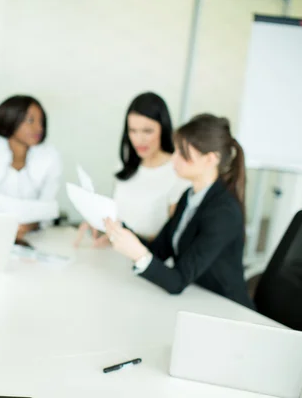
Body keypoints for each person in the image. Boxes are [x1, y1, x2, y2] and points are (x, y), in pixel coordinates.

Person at [104, 114, 253, 308]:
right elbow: (158, 250)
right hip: (196, 300)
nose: (174, 158)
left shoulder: (224, 212)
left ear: (210, 159)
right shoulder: (189, 197)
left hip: (226, 309)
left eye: (183, 154)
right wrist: (120, 230)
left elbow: (177, 281)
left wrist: (139, 255)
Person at [76, 92, 189, 247]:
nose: (138, 139)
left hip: (148, 261)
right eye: (133, 131)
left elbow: (170, 241)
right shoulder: (124, 165)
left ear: (163, 128)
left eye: (147, 131)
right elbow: (121, 217)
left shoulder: (177, 172)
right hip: (114, 253)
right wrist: (100, 226)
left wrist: (125, 236)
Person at [0, 95, 62, 241]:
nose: (38, 128)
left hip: (34, 236)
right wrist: (1, 229)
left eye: (41, 122)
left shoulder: (50, 155)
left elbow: (47, 209)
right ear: (10, 119)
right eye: (30, 120)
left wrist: (26, 228)